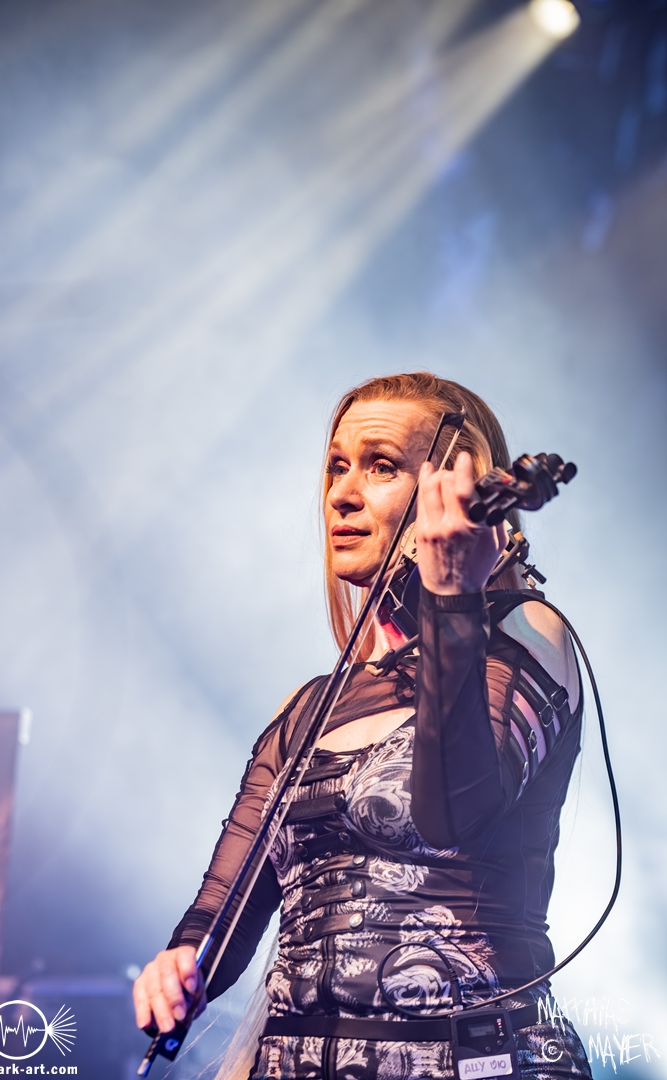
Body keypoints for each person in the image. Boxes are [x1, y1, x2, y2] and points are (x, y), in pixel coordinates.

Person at [133, 372, 592, 1080]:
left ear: (452, 489)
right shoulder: (306, 708)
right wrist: (179, 964)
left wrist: (451, 600)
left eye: (380, 467)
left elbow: (453, 812)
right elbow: (221, 916)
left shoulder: (526, 635)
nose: (342, 493)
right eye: (335, 467)